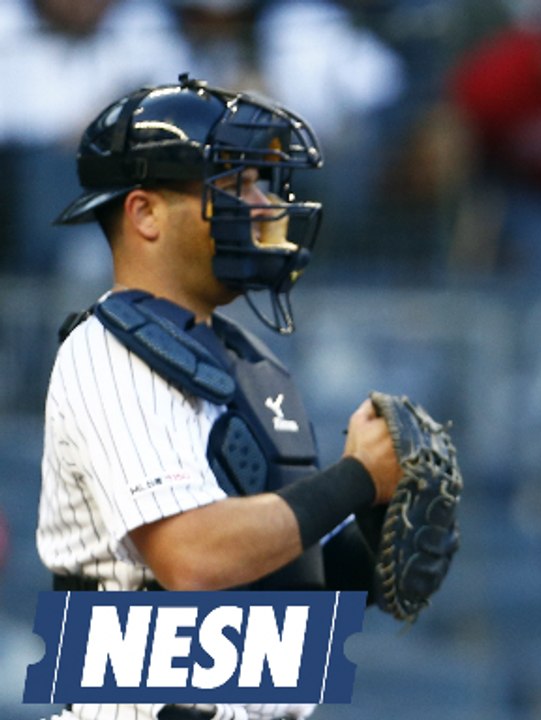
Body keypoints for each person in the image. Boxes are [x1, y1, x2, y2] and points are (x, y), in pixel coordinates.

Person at [36, 75, 404, 720]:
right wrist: (353, 480)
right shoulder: (108, 351)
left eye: (263, 183)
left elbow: (276, 582)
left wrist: (374, 526)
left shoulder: (249, 360)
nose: (264, 204)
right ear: (144, 213)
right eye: (235, 186)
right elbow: (195, 559)